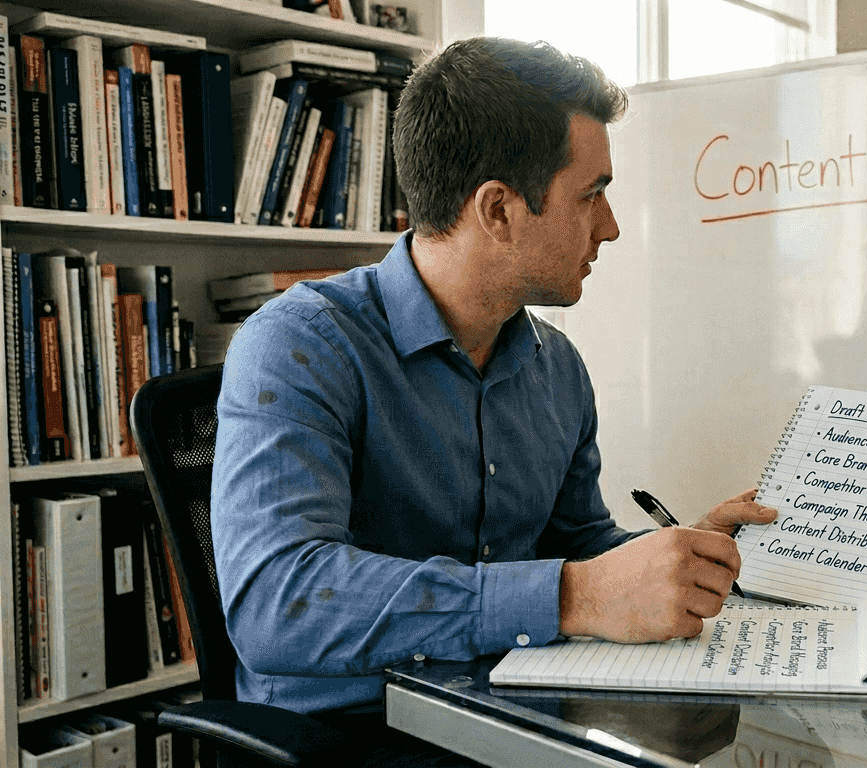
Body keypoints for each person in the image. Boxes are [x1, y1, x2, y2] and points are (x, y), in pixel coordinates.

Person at [209, 35, 776, 764]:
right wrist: (572, 597)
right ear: (499, 210)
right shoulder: (301, 345)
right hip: (348, 736)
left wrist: (678, 555)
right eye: (591, 194)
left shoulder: (557, 366)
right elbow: (278, 604)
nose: (611, 226)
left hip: (517, 712)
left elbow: (575, 545)